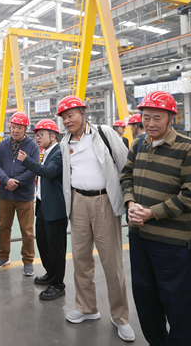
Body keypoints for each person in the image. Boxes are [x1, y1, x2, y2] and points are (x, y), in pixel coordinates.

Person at [121, 91, 191, 346]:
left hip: (171, 242)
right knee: (145, 299)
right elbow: (126, 176)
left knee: (178, 303)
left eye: (157, 118)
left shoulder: (188, 148)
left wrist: (152, 213)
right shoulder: (138, 143)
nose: (150, 123)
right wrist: (131, 202)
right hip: (139, 238)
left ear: (171, 118)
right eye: (146, 117)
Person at [57, 96, 135, 342]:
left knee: (112, 262)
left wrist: (130, 199)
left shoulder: (104, 134)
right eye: (63, 117)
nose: (67, 120)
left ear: (83, 113)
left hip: (104, 201)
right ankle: (87, 308)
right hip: (78, 202)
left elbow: (126, 165)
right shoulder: (65, 142)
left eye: (70, 115)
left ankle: (120, 317)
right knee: (81, 259)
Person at [17, 119, 66, 301]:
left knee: (56, 248)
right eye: (36, 135)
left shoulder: (59, 153)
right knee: (44, 244)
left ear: (53, 136)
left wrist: (27, 161)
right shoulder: (46, 153)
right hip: (43, 206)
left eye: (41, 134)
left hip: (55, 209)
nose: (37, 138)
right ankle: (50, 275)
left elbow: (49, 172)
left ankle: (58, 284)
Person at [0, 111, 40, 277]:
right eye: (13, 127)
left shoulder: (32, 147)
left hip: (24, 195)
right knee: (3, 227)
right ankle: (3, 257)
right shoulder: (3, 145)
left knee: (27, 230)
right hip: (5, 194)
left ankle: (28, 260)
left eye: (19, 127)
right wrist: (6, 180)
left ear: (25, 129)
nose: (15, 130)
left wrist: (16, 182)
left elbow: (33, 169)